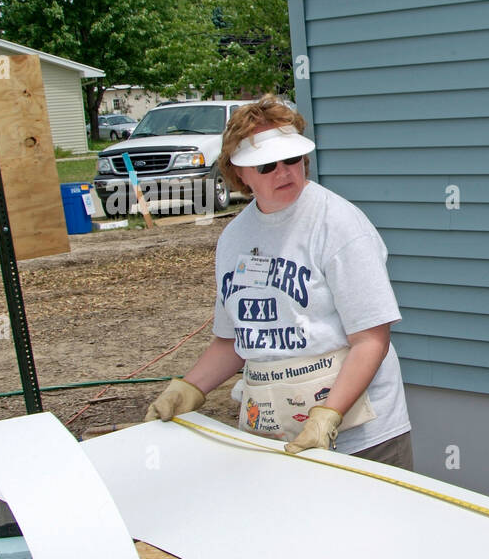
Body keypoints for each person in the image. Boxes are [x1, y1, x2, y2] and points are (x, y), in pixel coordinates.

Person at [145, 94, 413, 468]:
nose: (284, 172)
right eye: (267, 166)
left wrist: (328, 415)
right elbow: (234, 341)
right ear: (240, 173)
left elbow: (371, 339)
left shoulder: (339, 225)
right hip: (274, 434)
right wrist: (189, 389)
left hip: (360, 436)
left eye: (292, 160)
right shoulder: (234, 238)